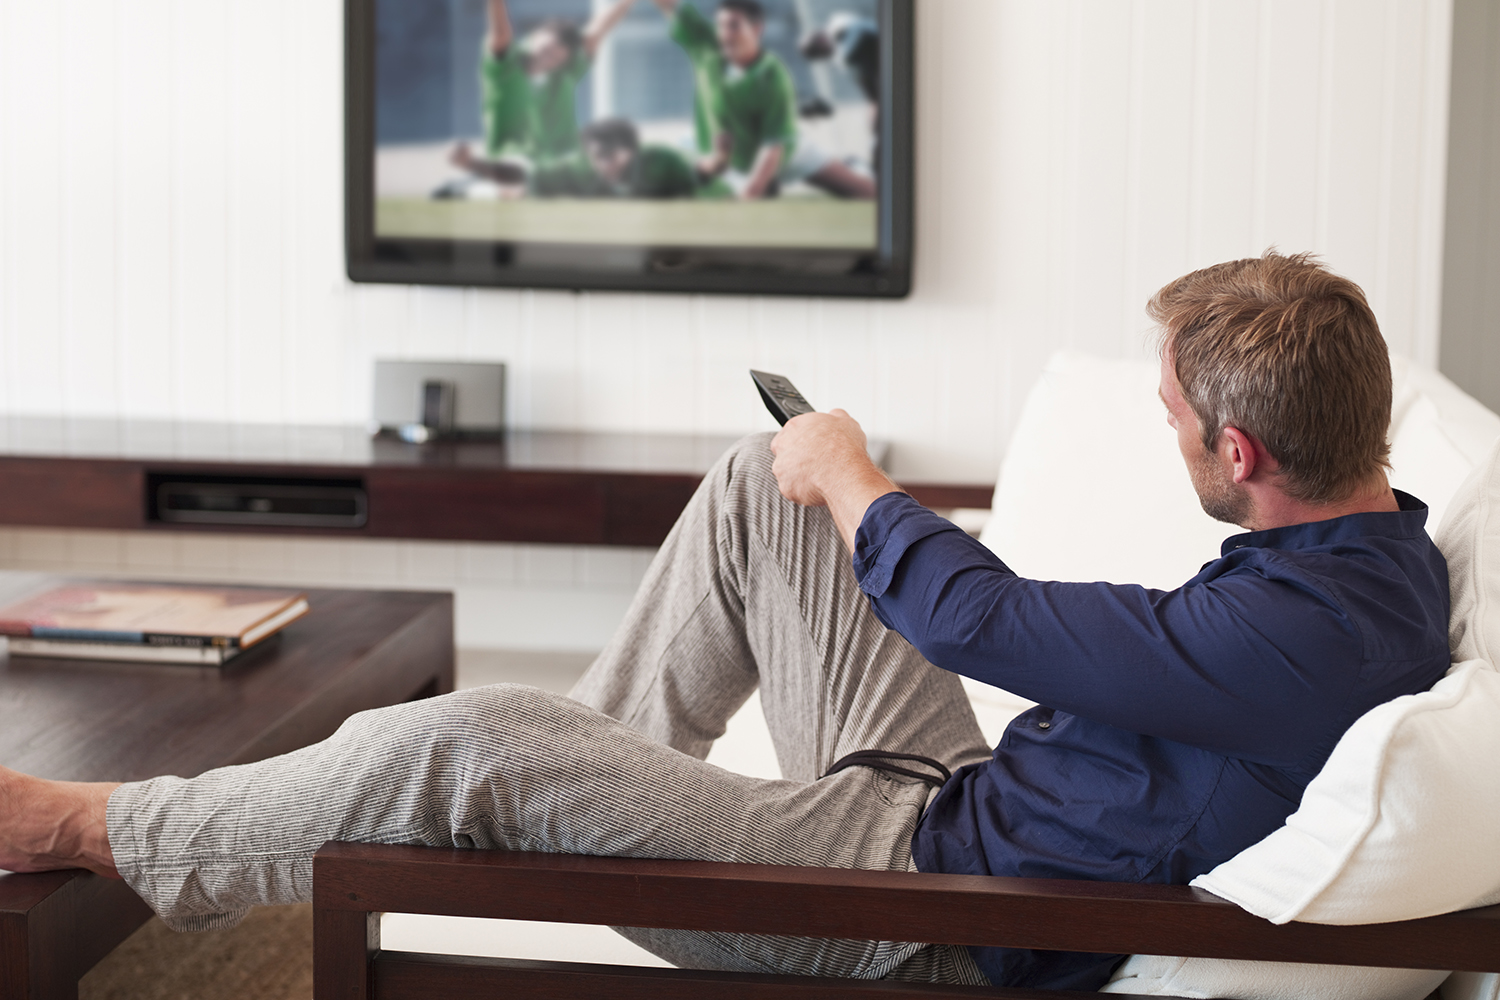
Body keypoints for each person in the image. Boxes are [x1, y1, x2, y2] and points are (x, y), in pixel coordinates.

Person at [0, 254, 1450, 992]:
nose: (1173, 436)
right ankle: (553, 817)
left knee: (473, 736)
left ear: (1245, 454)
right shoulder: (1378, 551)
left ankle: (93, 831)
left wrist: (864, 474)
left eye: (1178, 422)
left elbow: (982, 619)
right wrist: (827, 483)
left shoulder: (1304, 638)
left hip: (925, 918)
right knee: (766, 493)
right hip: (962, 812)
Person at [649, 0, 875, 200]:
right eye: (721, 25)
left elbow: (772, 148)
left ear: (757, 29)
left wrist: (749, 196)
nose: (725, 33)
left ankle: (854, 167)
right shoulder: (707, 43)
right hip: (727, 162)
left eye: (734, 25)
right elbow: (671, 5)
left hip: (785, 155)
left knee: (869, 194)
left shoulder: (773, 74)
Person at [464, 0, 639, 166]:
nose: (547, 58)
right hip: (513, 162)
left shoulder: (565, 73)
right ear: (534, 37)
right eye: (545, 49)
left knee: (614, 149)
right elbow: (501, 33)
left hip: (562, 163)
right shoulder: (505, 67)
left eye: (555, 57)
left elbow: (597, 31)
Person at [457, 118, 702, 200]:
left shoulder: (663, 160)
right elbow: (526, 173)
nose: (604, 165)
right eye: (597, 156)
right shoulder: (579, 167)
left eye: (611, 155)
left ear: (632, 150)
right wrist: (473, 164)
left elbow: (703, 180)